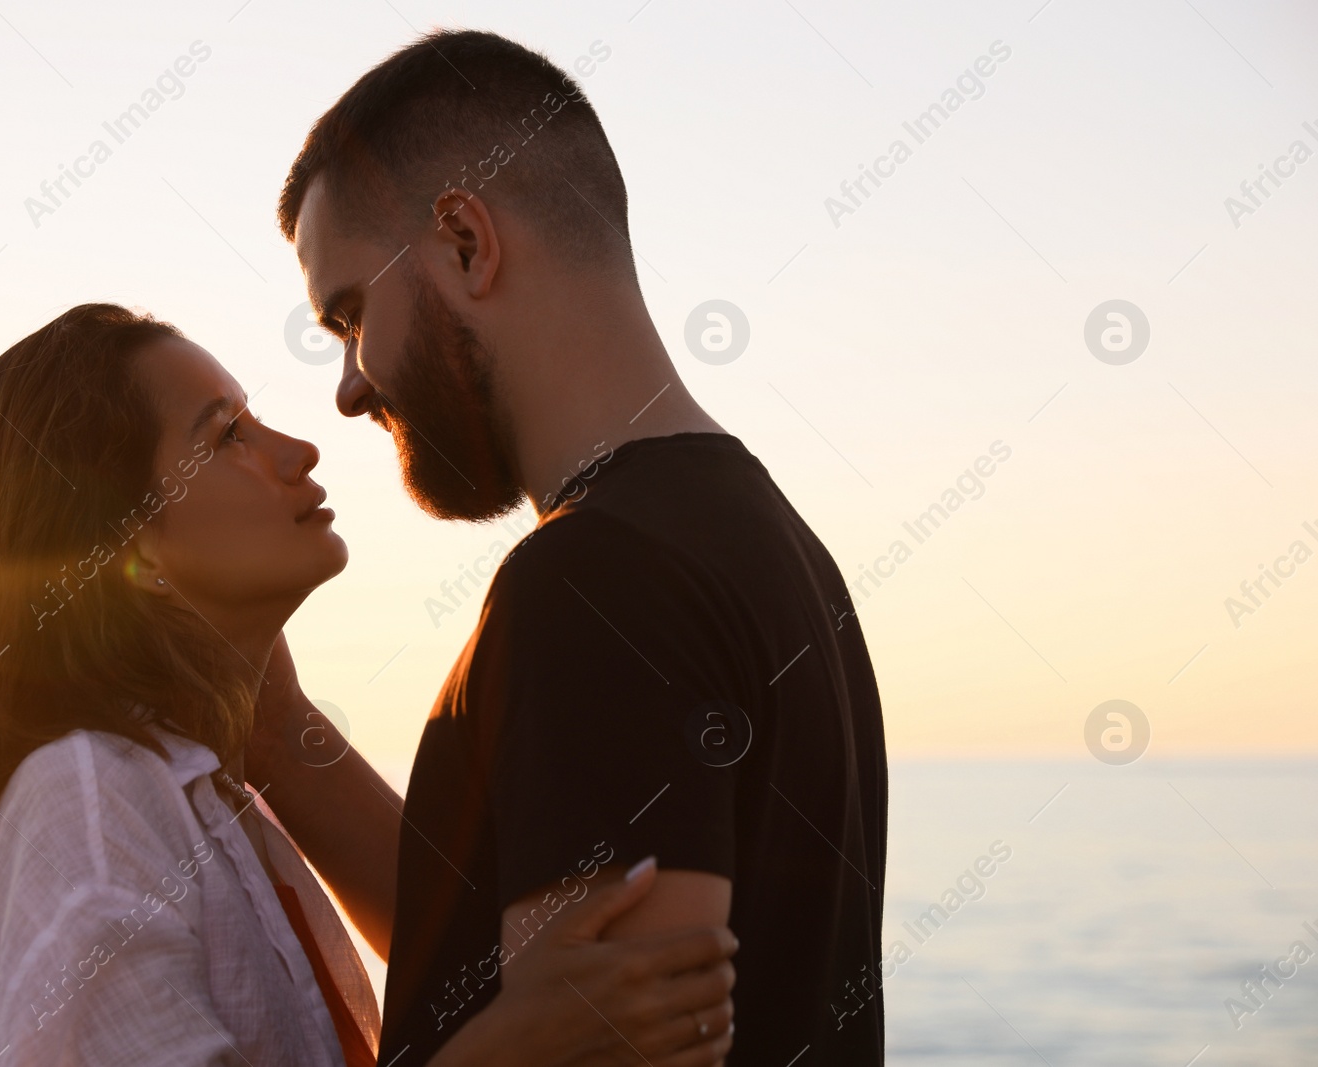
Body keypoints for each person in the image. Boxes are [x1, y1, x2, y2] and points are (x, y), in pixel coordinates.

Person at [0, 303, 740, 1066]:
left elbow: (440, 932)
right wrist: (515, 1046)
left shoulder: (212, 801)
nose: (299, 447)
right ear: (133, 552)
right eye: (227, 434)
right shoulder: (88, 798)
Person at [250, 29, 889, 1066]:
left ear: (464, 241)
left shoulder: (593, 586)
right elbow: (503, 980)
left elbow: (597, 1042)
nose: (350, 386)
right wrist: (281, 740)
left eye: (352, 314)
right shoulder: (768, 544)